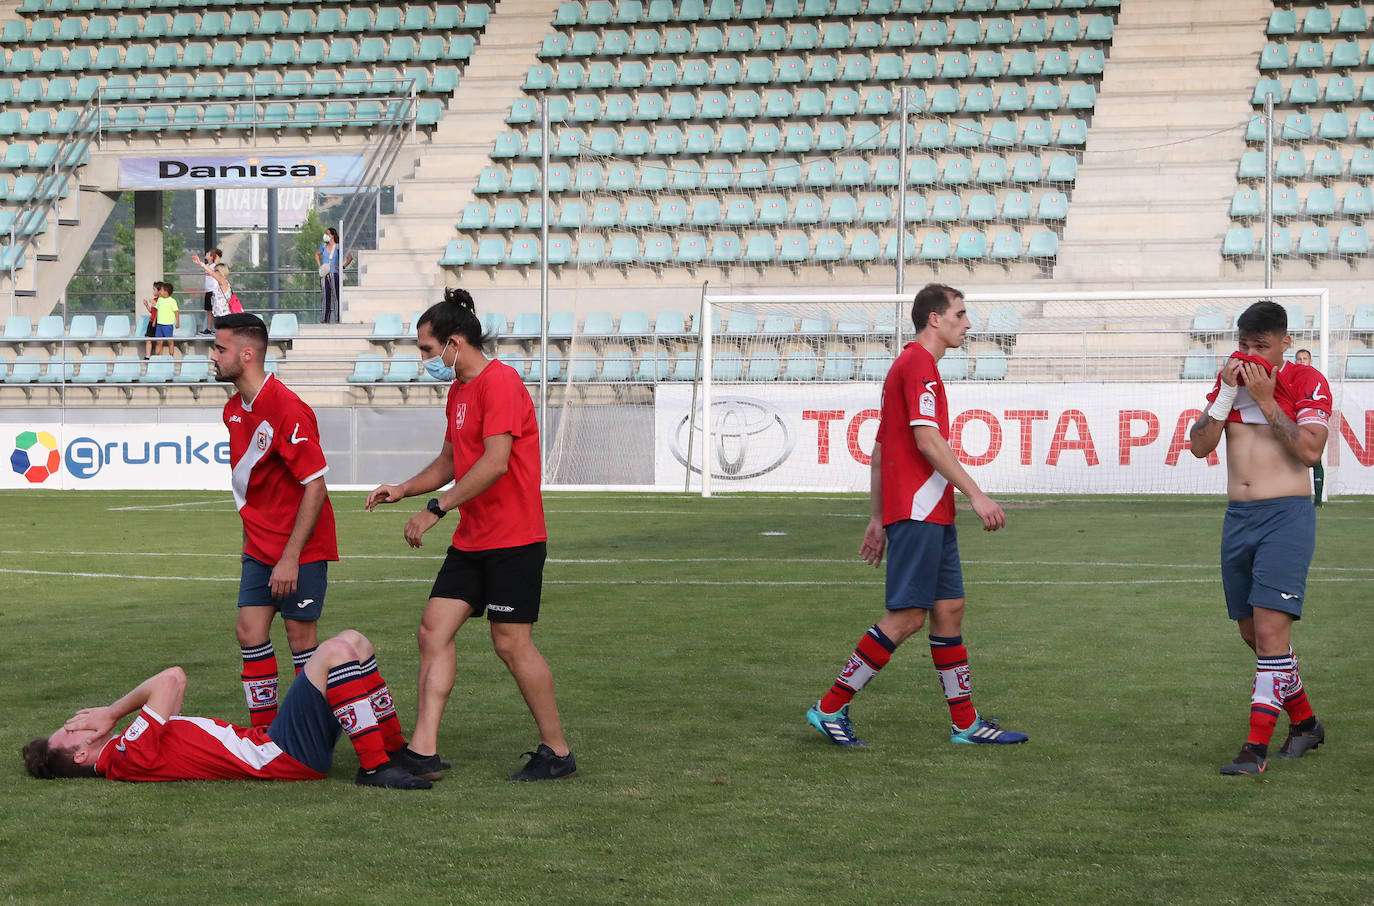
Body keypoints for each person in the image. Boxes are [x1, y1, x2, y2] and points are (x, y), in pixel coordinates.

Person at [365, 287, 577, 782]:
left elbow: (495, 464)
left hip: (515, 540)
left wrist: (435, 510)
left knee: (510, 644)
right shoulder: (459, 390)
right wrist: (404, 490)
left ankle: (558, 752)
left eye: (426, 349)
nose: (424, 360)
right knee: (432, 630)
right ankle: (423, 751)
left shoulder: (500, 383)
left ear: (454, 342)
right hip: (474, 539)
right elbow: (449, 462)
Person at [806, 283, 1029, 748]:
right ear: (935, 318)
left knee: (948, 610)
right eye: (961, 314)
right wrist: (977, 496)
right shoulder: (919, 367)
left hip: (926, 512)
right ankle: (829, 708)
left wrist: (876, 517)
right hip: (920, 512)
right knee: (907, 616)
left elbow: (880, 449)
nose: (967, 323)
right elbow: (927, 442)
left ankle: (965, 724)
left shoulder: (908, 367)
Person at [1189, 301, 1330, 775]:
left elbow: (1310, 451)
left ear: (1285, 342)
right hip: (1239, 520)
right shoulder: (1228, 382)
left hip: (1285, 517)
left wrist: (1268, 399)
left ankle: (1254, 749)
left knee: (1270, 632)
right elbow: (1199, 446)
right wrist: (1226, 393)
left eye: (1262, 347)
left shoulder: (1306, 382)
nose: (1250, 356)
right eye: (1245, 346)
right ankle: (1307, 723)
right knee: (1254, 634)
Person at [22, 629, 430, 789]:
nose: (78, 721)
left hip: (276, 746)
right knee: (336, 652)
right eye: (71, 729)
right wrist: (112, 712)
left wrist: (115, 715)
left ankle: (393, 750)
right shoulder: (125, 758)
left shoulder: (129, 747)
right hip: (280, 756)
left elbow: (176, 677)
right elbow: (166, 682)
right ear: (80, 753)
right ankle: (375, 766)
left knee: (355, 643)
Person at [211, 312, 339, 730]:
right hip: (260, 547)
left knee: (301, 640)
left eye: (220, 348)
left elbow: (315, 486)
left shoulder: (287, 408)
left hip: (298, 548)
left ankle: (306, 732)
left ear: (247, 355)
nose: (213, 357)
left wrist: (290, 557)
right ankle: (264, 734)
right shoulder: (234, 409)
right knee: (249, 631)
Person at [1293, 348, 1325, 506]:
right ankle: (1296, 497)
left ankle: (1318, 500)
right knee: (1295, 459)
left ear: (1310, 361)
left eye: (1305, 358)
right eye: (1299, 359)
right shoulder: (1292, 378)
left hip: (1314, 418)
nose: (1302, 361)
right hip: (1297, 419)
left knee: (1315, 459)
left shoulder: (1316, 378)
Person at [315, 228, 353, 324]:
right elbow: (316, 255)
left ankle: (337, 318)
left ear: (332, 235)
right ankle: (324, 318)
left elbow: (349, 257)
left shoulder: (338, 247)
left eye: (327, 233)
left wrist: (342, 267)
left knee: (336, 296)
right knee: (325, 296)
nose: (325, 235)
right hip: (325, 274)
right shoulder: (323, 246)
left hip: (334, 273)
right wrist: (320, 266)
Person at [193, 253, 233, 327]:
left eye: (216, 271)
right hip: (220, 314)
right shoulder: (222, 283)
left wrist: (201, 263)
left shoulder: (222, 281)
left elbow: (211, 272)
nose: (214, 272)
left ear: (220, 272)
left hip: (223, 315)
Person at [142, 281, 178, 358]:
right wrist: (147, 306)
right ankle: (152, 357)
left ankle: (170, 357)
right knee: (154, 340)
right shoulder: (159, 300)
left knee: (167, 341)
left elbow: (176, 312)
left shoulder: (168, 300)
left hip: (166, 324)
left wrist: (178, 322)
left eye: (155, 289)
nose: (154, 291)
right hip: (156, 323)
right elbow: (155, 311)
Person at [195, 247, 222, 336]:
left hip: (214, 292)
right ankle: (209, 329)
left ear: (212, 256)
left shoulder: (215, 266)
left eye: (208, 253)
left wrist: (200, 263)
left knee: (215, 311)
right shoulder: (209, 266)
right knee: (209, 311)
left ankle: (218, 329)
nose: (206, 254)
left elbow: (216, 264)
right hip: (208, 291)